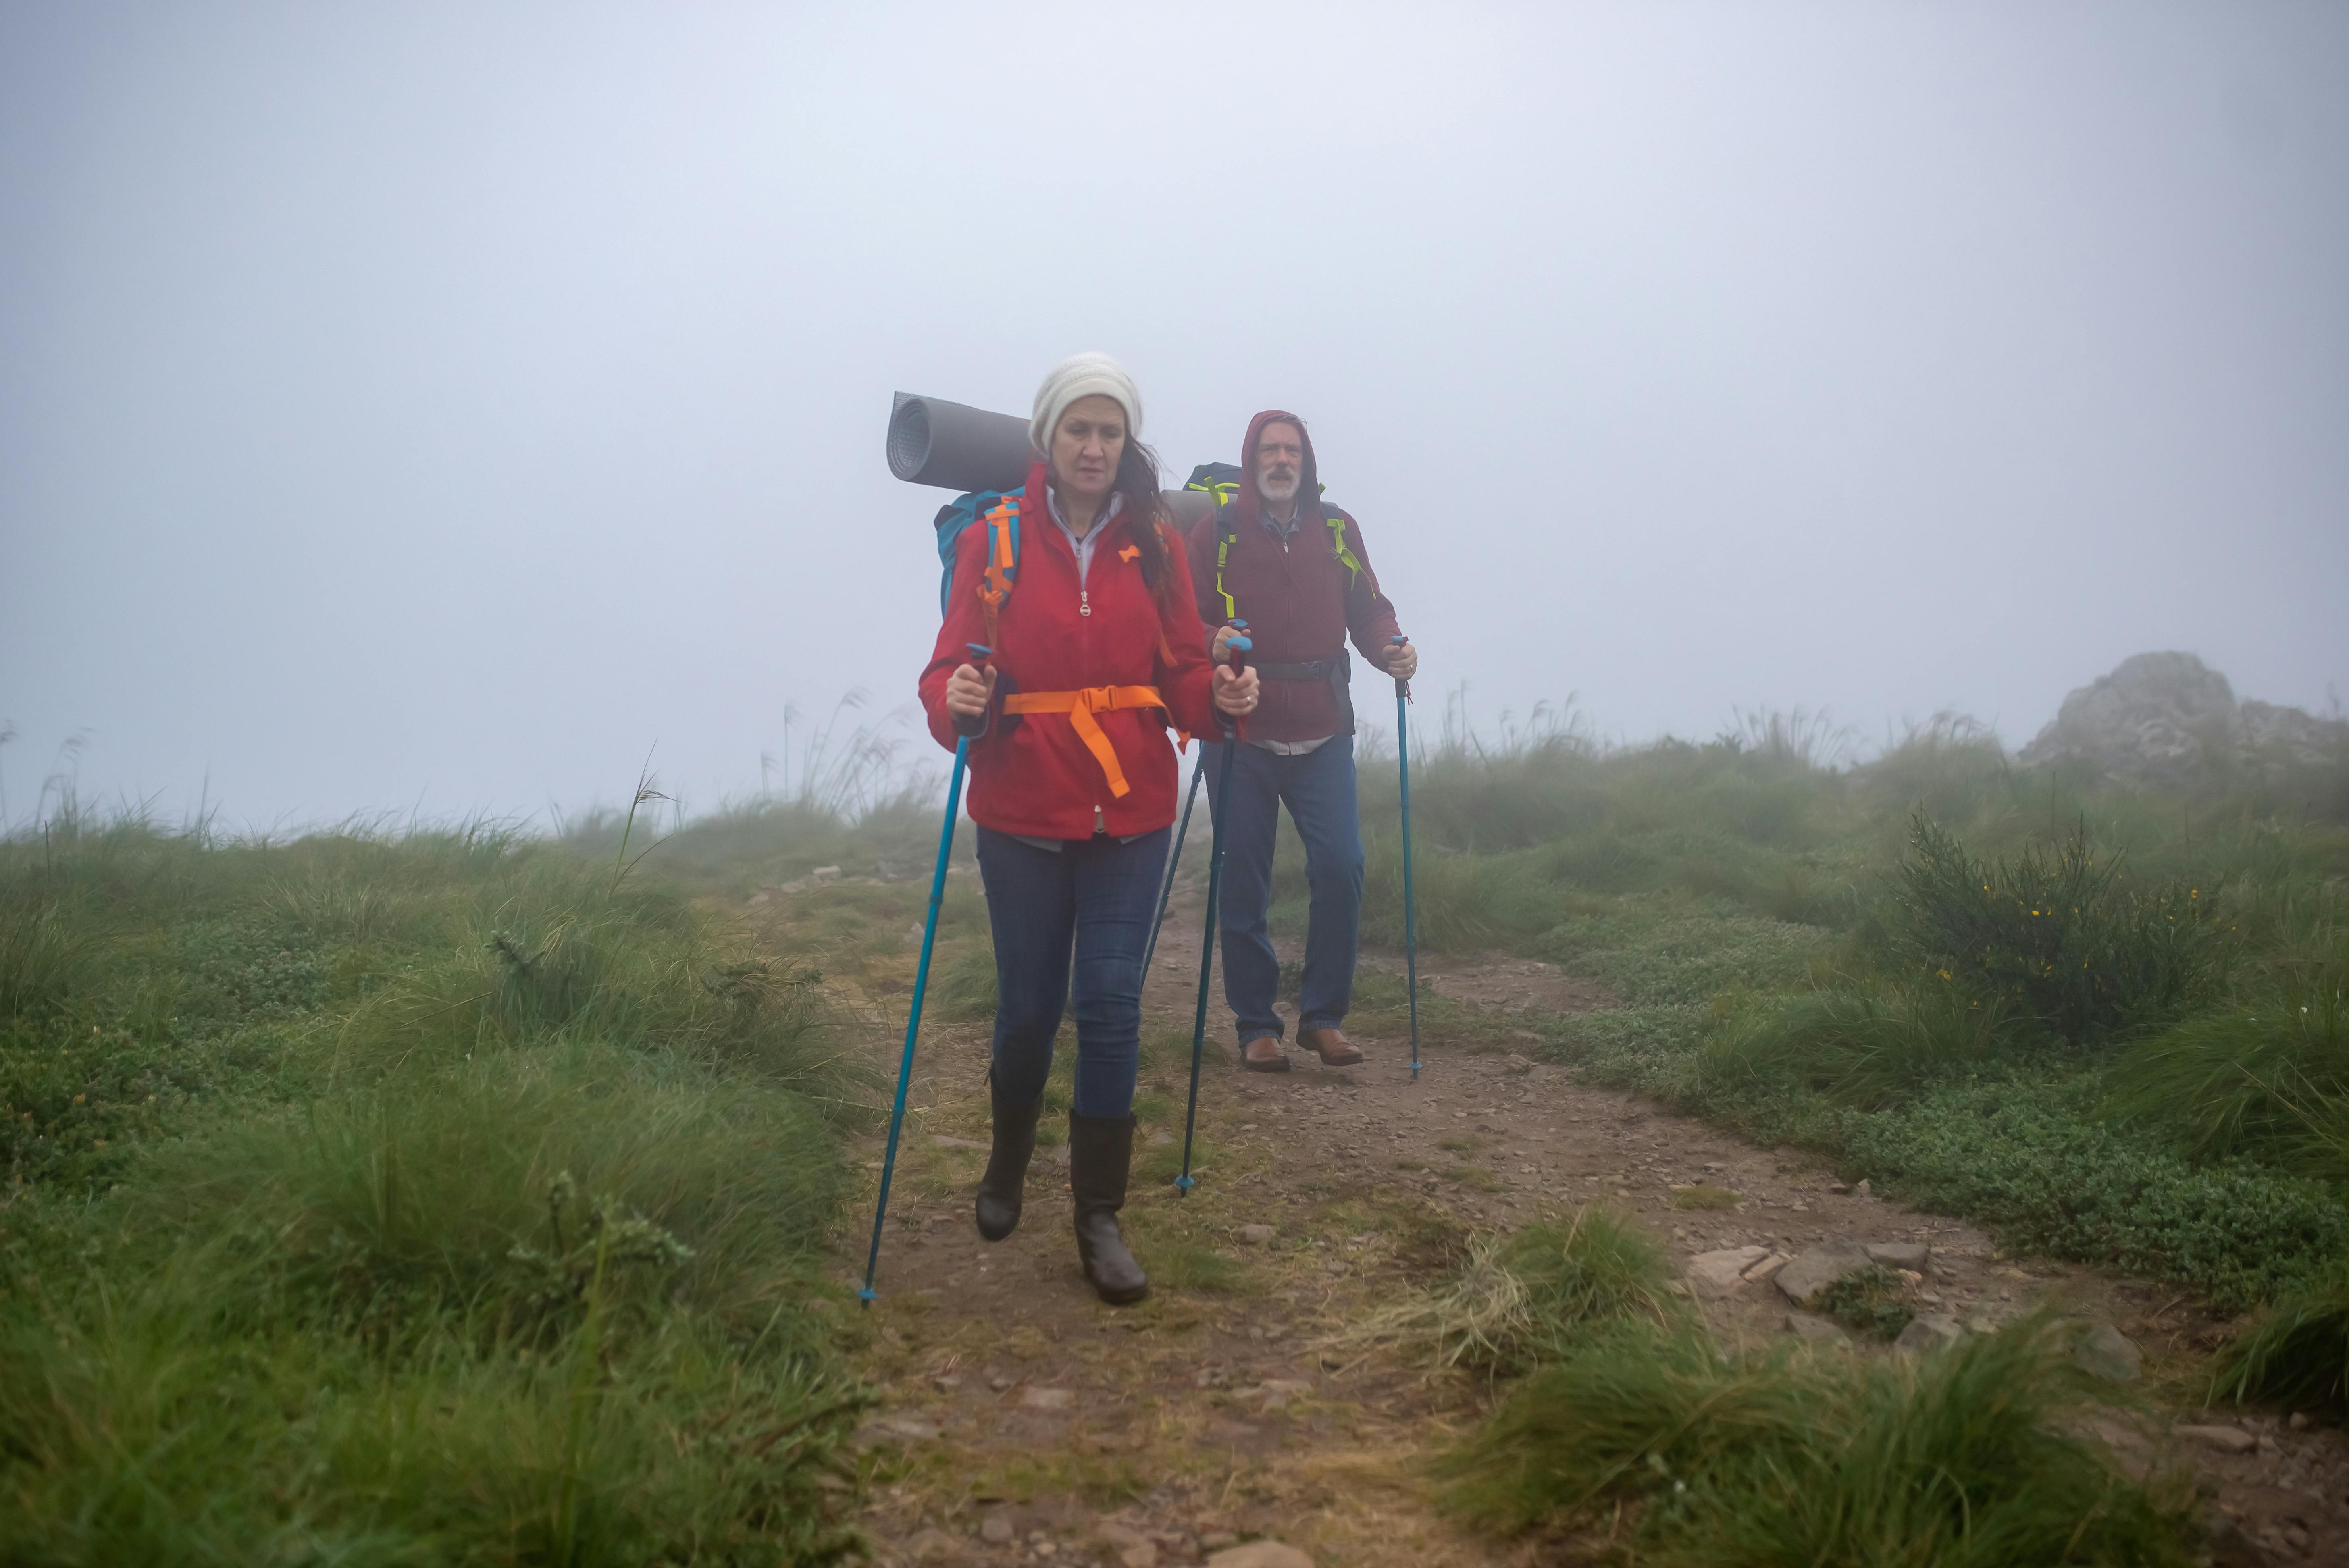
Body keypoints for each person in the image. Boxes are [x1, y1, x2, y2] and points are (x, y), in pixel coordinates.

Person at [919, 353, 1259, 1304]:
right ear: (1047, 438)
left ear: (1126, 443)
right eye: (1079, 429)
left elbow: (1184, 669)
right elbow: (945, 673)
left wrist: (1219, 693)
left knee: (1108, 1005)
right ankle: (1006, 1157)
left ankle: (1098, 1216)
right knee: (1029, 1011)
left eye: (1110, 432)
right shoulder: (993, 540)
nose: (1094, 447)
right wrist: (961, 700)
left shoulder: (1153, 541)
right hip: (1022, 815)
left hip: (1132, 815)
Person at [1186, 411, 1416, 1073]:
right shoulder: (1216, 533)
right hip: (1240, 729)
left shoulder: (1337, 530)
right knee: (1242, 877)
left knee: (1341, 866)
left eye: (1292, 450)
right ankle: (1257, 1024)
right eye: (1270, 449)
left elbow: (1369, 609)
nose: (1281, 460)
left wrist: (1391, 648)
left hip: (1322, 729)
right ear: (1252, 459)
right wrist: (1211, 641)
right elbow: (1185, 618)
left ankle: (1323, 1018)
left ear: (1307, 461)